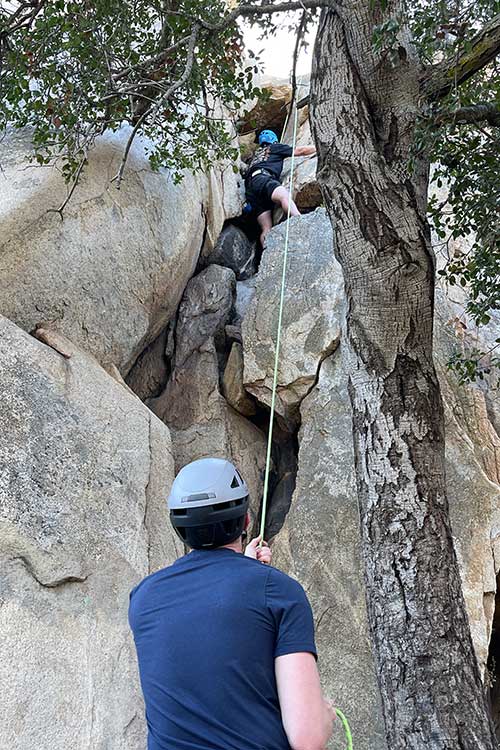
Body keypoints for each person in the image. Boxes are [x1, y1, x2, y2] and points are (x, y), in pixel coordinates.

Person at [129, 457, 336, 750]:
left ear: (178, 527)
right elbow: (307, 739)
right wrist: (324, 716)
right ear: (246, 519)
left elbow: (207, 623)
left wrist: (246, 570)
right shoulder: (280, 592)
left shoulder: (143, 598)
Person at [245, 128, 316, 246]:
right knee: (284, 196)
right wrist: (318, 148)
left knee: (266, 228)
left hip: (251, 190)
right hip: (263, 179)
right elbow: (300, 150)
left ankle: (266, 255)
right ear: (274, 140)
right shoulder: (274, 147)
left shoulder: (256, 157)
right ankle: (300, 221)